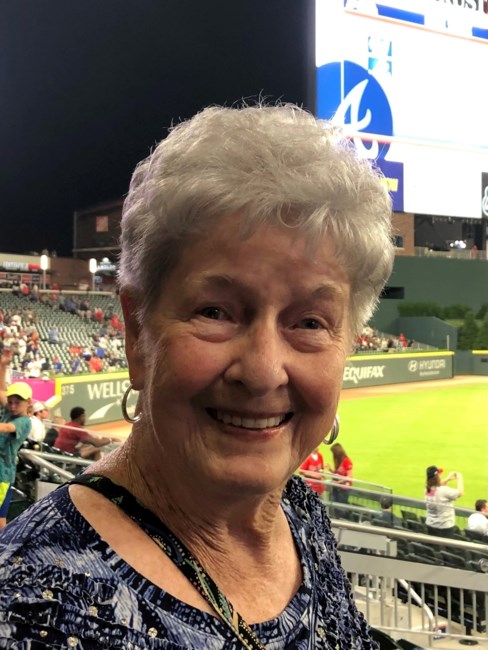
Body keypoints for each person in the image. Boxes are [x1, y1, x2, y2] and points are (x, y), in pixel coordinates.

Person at [0, 103, 394, 648]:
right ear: (137, 332)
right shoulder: (31, 607)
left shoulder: (297, 510)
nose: (262, 372)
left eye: (310, 322)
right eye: (215, 312)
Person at [0, 382, 32, 528]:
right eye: (10, 402)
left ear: (28, 402)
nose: (12, 406)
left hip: (3, 477)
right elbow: (2, 390)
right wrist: (3, 369)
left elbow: (7, 427)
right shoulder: (10, 412)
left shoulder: (24, 421)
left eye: (17, 403)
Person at [425, 465, 463, 538]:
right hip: (444, 527)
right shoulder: (443, 491)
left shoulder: (428, 489)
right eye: (439, 474)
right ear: (436, 477)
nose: (440, 476)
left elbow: (438, 485)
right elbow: (460, 493)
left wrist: (448, 479)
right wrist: (459, 478)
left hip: (431, 525)